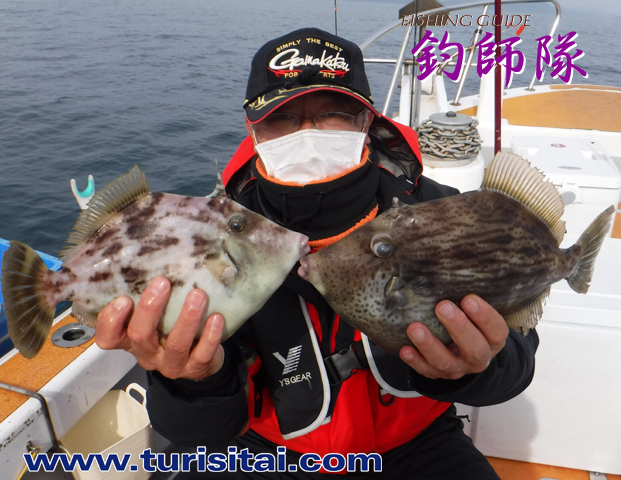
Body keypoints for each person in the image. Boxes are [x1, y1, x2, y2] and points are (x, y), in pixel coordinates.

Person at [95, 28, 538, 479]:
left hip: (419, 444)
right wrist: (193, 380)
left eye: (333, 113)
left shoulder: (439, 211)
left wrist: (476, 367)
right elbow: (203, 433)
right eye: (282, 117)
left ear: (366, 121)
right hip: (269, 453)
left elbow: (518, 359)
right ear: (254, 130)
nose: (307, 133)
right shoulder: (222, 239)